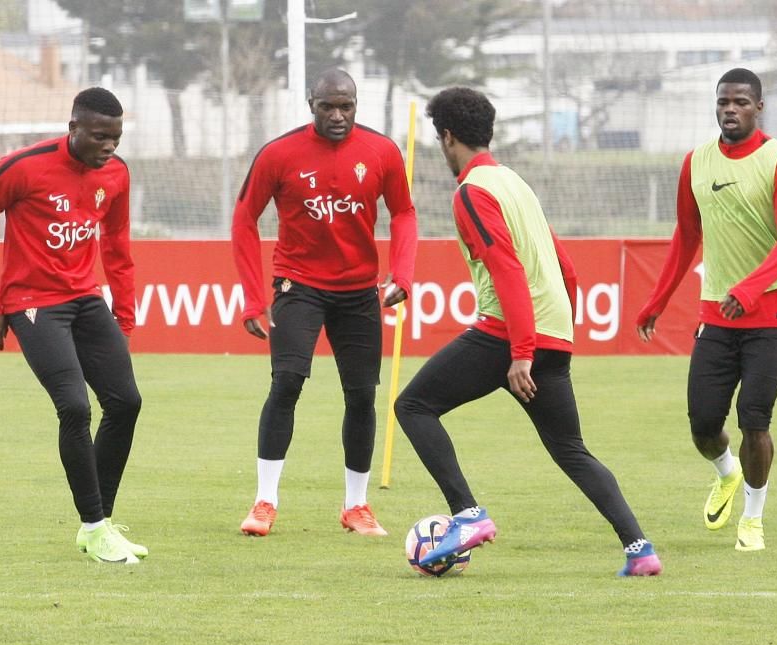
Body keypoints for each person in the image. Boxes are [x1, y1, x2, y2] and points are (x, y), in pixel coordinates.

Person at [394, 87, 662, 577]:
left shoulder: (472, 191)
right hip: (552, 334)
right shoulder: (514, 182)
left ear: (448, 136)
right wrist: (557, 337)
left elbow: (507, 268)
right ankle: (640, 550)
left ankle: (469, 515)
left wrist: (521, 352)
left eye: (439, 138)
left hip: (509, 335)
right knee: (570, 450)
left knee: (412, 406)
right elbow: (567, 269)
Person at [0, 87, 146, 565]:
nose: (110, 147)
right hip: (31, 304)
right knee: (74, 407)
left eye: (117, 138)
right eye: (101, 137)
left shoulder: (118, 175)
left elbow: (118, 245)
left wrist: (123, 314)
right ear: (74, 129)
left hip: (86, 299)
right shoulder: (24, 165)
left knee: (126, 402)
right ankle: (93, 525)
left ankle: (100, 522)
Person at [232, 68, 417, 537]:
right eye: (327, 107)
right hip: (299, 285)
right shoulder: (278, 154)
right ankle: (264, 502)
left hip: (358, 291)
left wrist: (404, 272)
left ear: (357, 105)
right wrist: (255, 299)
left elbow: (404, 212)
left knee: (361, 395)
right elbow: (244, 218)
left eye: (346, 106)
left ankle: (356, 507)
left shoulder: (382, 152)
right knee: (287, 382)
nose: (337, 116)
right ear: (310, 104)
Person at [636, 68, 777, 552]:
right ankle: (726, 474)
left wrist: (751, 289)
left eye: (740, 102)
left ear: (759, 107)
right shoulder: (697, 162)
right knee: (703, 424)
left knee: (755, 419)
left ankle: (752, 518)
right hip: (718, 315)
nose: (730, 109)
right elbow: (686, 236)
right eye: (723, 102)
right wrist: (656, 301)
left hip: (771, 313)